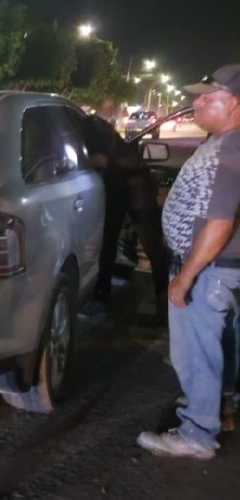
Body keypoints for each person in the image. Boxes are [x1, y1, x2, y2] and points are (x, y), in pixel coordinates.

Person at [137, 64, 240, 460]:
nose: (196, 102)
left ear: (232, 104)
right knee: (220, 345)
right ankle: (217, 404)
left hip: (208, 271)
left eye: (206, 96)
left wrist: (186, 277)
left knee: (196, 353)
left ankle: (197, 434)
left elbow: (220, 222)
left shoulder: (230, 148)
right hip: (219, 269)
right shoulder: (224, 142)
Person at [80, 114, 171, 323]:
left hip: (122, 185)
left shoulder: (89, 129)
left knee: (109, 242)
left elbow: (99, 161)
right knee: (152, 246)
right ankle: (164, 303)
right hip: (136, 184)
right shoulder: (99, 126)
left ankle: (102, 297)